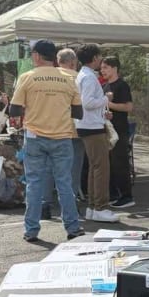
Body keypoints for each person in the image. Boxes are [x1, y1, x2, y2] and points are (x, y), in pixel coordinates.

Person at [9, 39, 85, 242]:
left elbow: (14, 109)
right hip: (63, 137)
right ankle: (73, 227)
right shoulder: (70, 78)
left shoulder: (27, 77)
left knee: (34, 184)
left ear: (36, 56)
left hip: (35, 137)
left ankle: (31, 230)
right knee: (64, 183)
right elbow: (78, 113)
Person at [75, 43, 117, 222]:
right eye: (99, 57)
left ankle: (93, 207)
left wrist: (102, 109)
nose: (101, 60)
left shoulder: (83, 75)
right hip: (92, 127)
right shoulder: (89, 77)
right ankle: (100, 207)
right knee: (101, 167)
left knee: (94, 167)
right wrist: (105, 99)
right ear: (93, 59)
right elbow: (88, 102)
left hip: (86, 125)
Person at [101, 55, 134, 208]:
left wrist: (111, 104)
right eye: (101, 68)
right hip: (108, 129)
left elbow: (128, 107)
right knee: (111, 164)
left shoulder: (122, 85)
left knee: (120, 163)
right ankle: (115, 194)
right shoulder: (105, 86)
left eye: (106, 67)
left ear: (115, 68)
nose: (103, 71)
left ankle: (127, 196)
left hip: (120, 129)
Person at [56, 48, 86, 201]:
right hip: (74, 128)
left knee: (53, 166)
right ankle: (71, 198)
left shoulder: (51, 76)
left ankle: (47, 200)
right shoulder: (78, 78)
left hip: (52, 129)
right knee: (74, 166)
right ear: (74, 63)